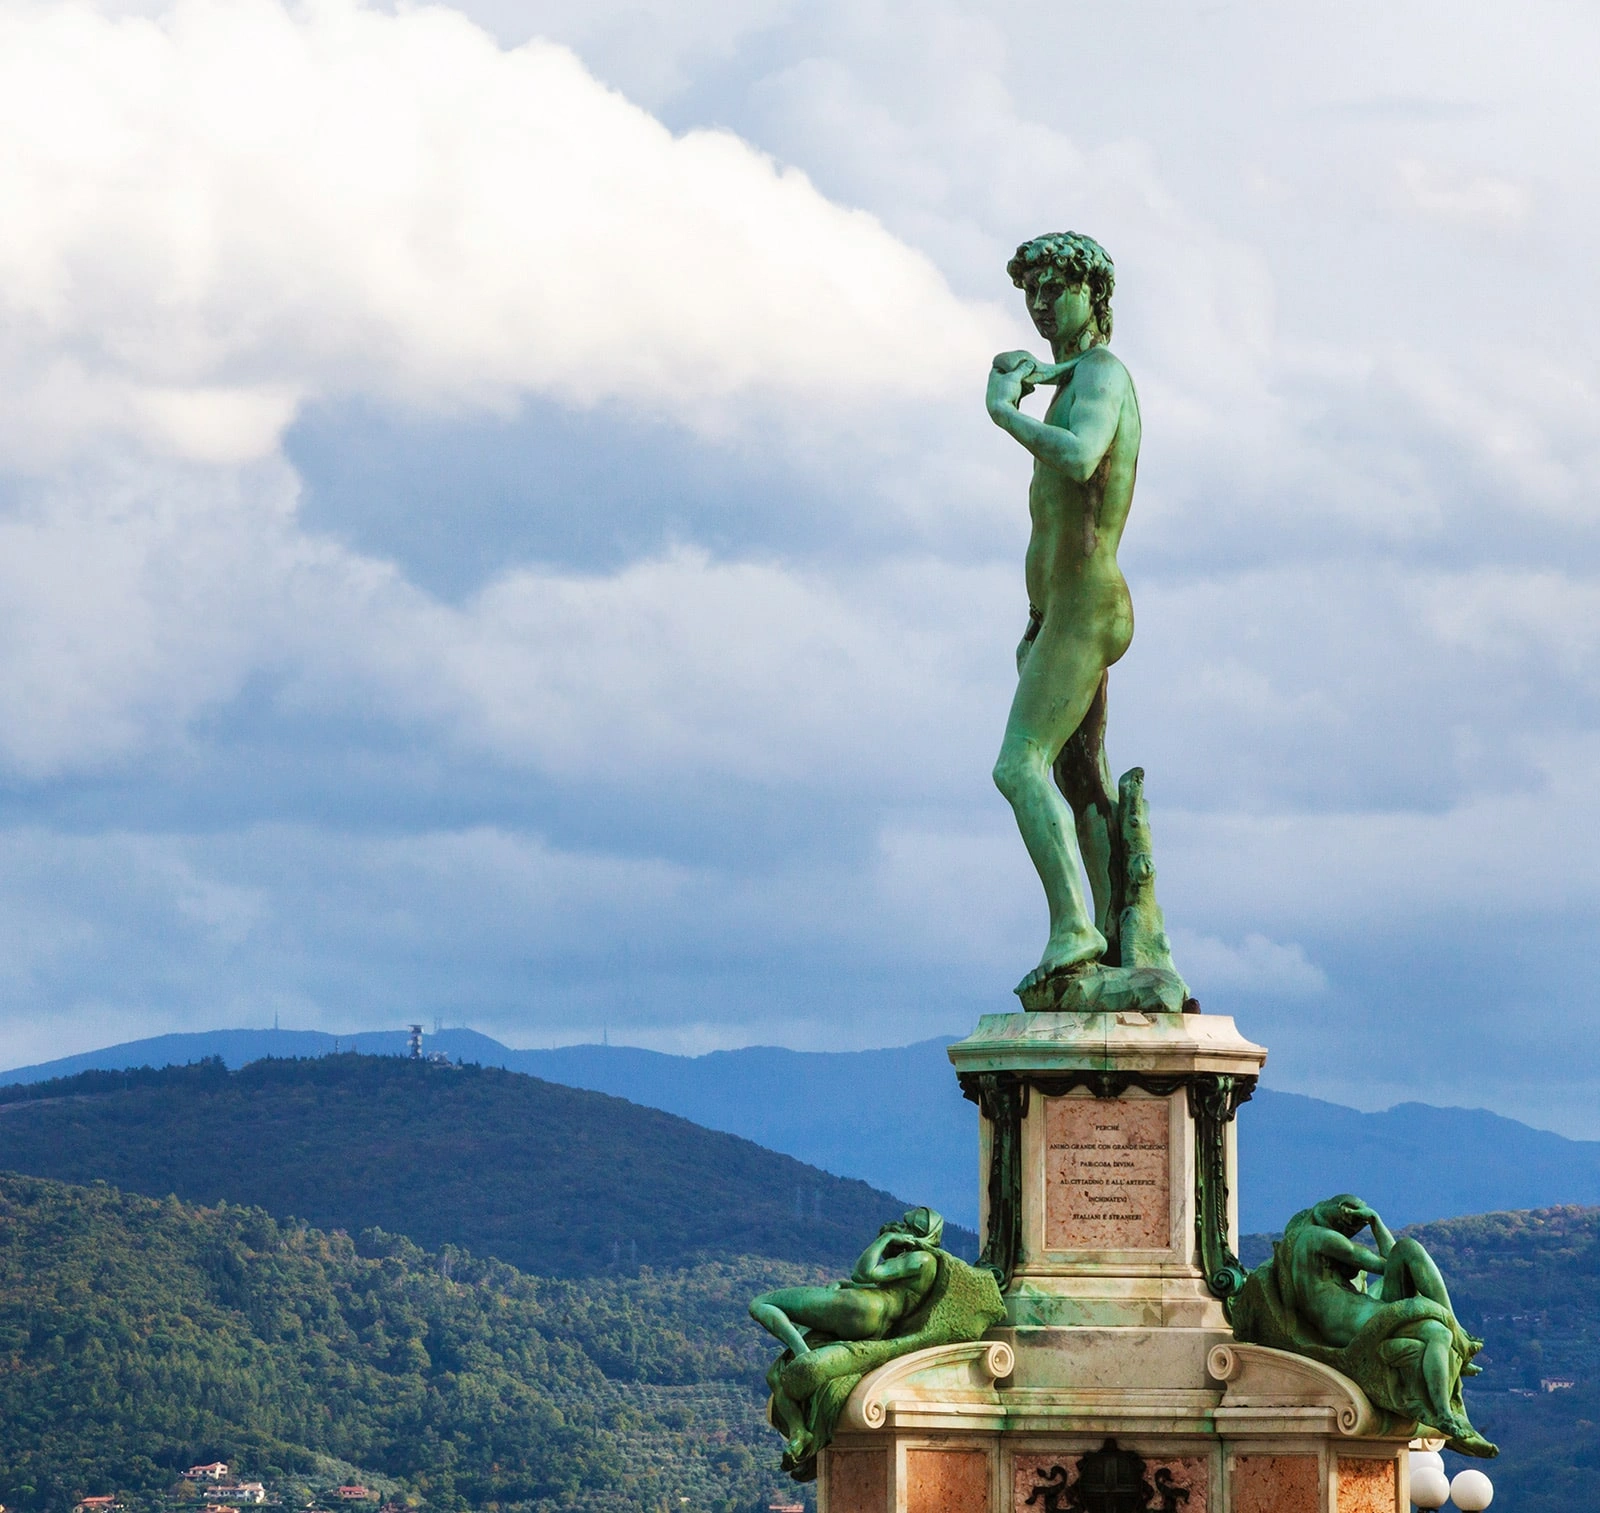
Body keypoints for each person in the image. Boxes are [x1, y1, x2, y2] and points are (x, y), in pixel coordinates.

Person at [985, 232, 1141, 997]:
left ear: (1093, 294)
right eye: (1031, 293)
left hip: (1087, 604)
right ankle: (1120, 938)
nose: (1042, 305)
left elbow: (1080, 457)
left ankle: (1074, 927)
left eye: (1056, 290)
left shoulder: (1103, 374)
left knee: (1019, 765)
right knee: (1080, 781)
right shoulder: (1069, 379)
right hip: (1062, 611)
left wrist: (1003, 414)